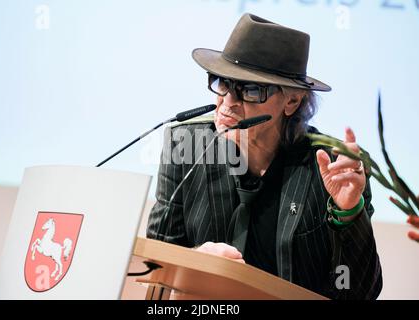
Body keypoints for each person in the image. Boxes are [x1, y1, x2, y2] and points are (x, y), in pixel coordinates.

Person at [147, 13, 382, 299]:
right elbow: (154, 267)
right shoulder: (186, 146)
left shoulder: (334, 167)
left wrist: (349, 214)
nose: (228, 104)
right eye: (223, 83)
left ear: (292, 101)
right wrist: (197, 260)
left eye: (251, 90)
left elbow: (358, 292)